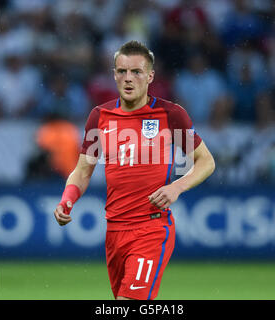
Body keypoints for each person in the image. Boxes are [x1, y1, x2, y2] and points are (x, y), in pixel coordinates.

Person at [53, 40, 215, 300]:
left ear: (150, 76)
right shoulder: (100, 116)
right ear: (114, 74)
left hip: (151, 228)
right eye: (122, 71)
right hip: (114, 231)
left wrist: (177, 187)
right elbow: (83, 171)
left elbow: (206, 161)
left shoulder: (169, 114)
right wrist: (67, 200)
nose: (128, 79)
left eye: (136, 72)